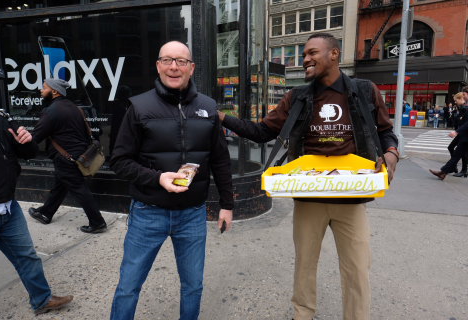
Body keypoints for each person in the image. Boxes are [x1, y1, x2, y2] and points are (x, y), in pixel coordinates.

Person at [218, 32, 398, 320]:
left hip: (351, 197)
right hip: (308, 194)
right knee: (304, 265)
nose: (305, 60)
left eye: (312, 53)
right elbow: (263, 132)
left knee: (357, 268)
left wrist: (391, 155)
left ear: (334, 54)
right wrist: (223, 119)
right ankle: (302, 315)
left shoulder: (364, 90)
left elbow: (386, 131)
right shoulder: (297, 96)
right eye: (303, 55)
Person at [109, 41, 234, 320]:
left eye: (180, 61)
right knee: (128, 287)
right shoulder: (138, 107)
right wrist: (157, 178)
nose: (173, 67)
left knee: (193, 286)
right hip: (147, 213)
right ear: (158, 65)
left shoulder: (208, 107)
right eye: (167, 60)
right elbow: (119, 161)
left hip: (192, 214)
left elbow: (220, 161)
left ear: (191, 68)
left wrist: (227, 204)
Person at [0, 109, 73, 314]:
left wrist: (27, 140)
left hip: (9, 207)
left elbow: (30, 153)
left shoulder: (0, 118)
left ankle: (41, 299)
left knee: (27, 256)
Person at [28, 78, 107, 233]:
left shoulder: (51, 111)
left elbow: (35, 136)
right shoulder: (75, 108)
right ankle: (45, 213)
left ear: (55, 91)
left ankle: (97, 222)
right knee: (60, 186)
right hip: (77, 157)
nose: (41, 90)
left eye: (44, 88)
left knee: (79, 188)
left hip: (65, 158)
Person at [430, 91, 468, 179]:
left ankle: (445, 172)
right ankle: (443, 172)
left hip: (465, 135)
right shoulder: (464, 106)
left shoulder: (465, 107)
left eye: (464, 94)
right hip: (464, 135)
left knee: (459, 153)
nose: (463, 95)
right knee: (457, 154)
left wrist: (456, 131)